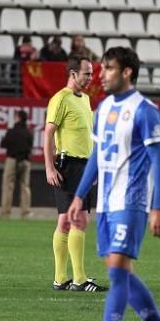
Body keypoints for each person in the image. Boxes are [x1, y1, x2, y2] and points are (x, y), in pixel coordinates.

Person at [71, 46, 160, 321]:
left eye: (107, 69)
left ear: (127, 72)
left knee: (118, 270)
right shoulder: (102, 108)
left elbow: (159, 163)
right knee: (120, 273)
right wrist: (79, 197)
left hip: (131, 201)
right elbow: (96, 157)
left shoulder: (145, 110)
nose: (101, 75)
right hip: (105, 203)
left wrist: (158, 207)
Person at [44, 54, 107, 293]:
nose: (91, 77)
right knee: (75, 219)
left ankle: (62, 279)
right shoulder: (60, 99)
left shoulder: (86, 100)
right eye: (87, 73)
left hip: (84, 166)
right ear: (73, 74)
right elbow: (48, 133)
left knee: (68, 220)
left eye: (91, 73)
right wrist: (49, 167)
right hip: (68, 164)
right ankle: (78, 279)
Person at [0, 109, 33, 219]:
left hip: (12, 160)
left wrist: (3, 139)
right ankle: (26, 213)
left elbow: (3, 144)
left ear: (18, 118)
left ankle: (5, 213)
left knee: (8, 186)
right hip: (25, 161)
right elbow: (30, 146)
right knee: (25, 187)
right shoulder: (28, 132)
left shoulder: (11, 131)